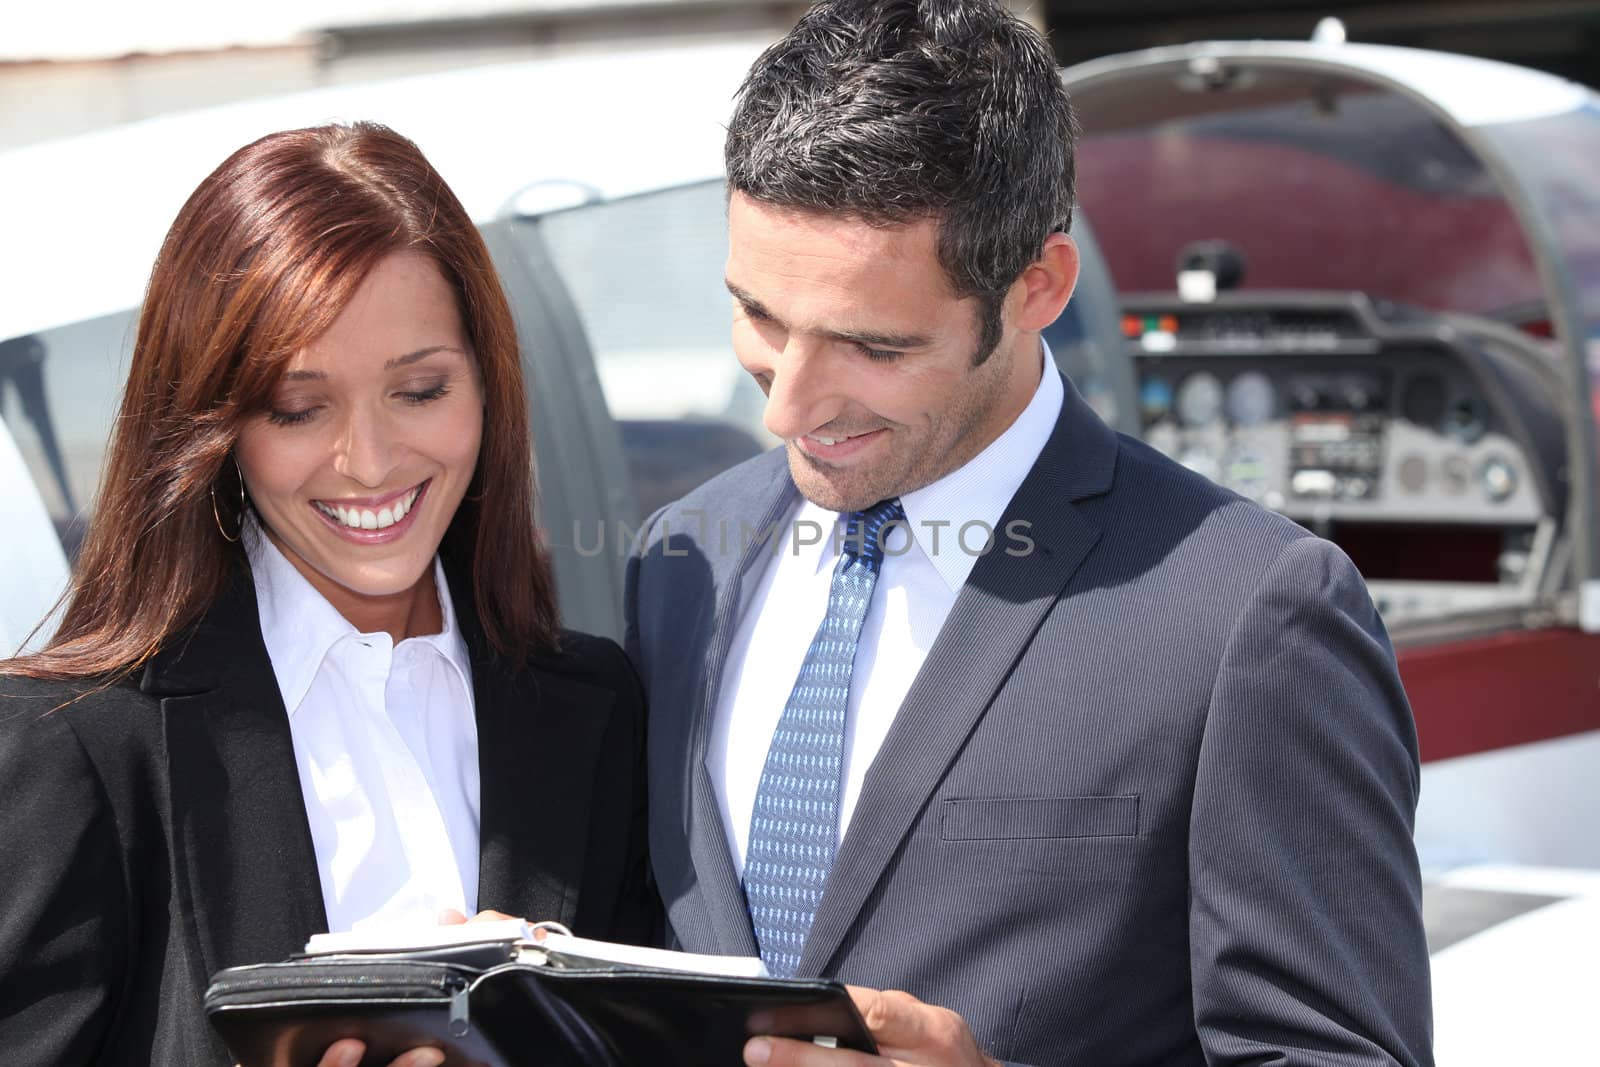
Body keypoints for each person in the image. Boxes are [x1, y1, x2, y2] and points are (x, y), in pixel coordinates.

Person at [624, 2, 1433, 1065]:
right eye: (761, 316)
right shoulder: (682, 553)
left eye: (870, 344)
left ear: (1036, 287)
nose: (788, 407)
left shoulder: (1253, 611)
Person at [0, 123, 654, 1067]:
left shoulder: (595, 708)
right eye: (300, 409)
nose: (371, 461)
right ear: (212, 424)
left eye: (420, 390)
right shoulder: (82, 742)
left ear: (487, 382)